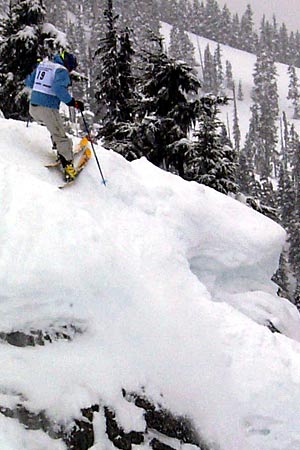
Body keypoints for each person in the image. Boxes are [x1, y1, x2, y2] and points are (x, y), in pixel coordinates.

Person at [25, 50, 84, 180]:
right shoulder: (61, 70)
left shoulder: (44, 65)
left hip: (33, 107)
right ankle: (68, 165)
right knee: (61, 136)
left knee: (54, 128)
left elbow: (29, 82)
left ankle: (59, 149)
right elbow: (58, 89)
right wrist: (72, 102)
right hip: (47, 108)